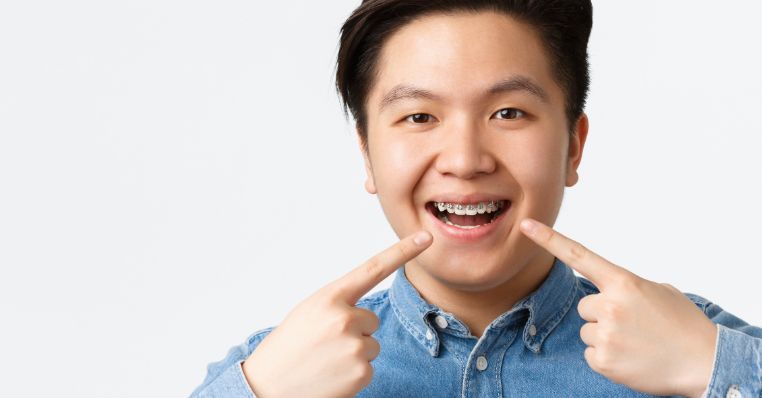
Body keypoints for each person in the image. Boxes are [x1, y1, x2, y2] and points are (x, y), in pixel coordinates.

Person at [189, 1, 761, 397]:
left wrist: (708, 366)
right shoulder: (274, 368)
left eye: (508, 113)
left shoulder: (695, 342)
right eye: (419, 116)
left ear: (573, 148)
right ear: (367, 153)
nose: (465, 160)